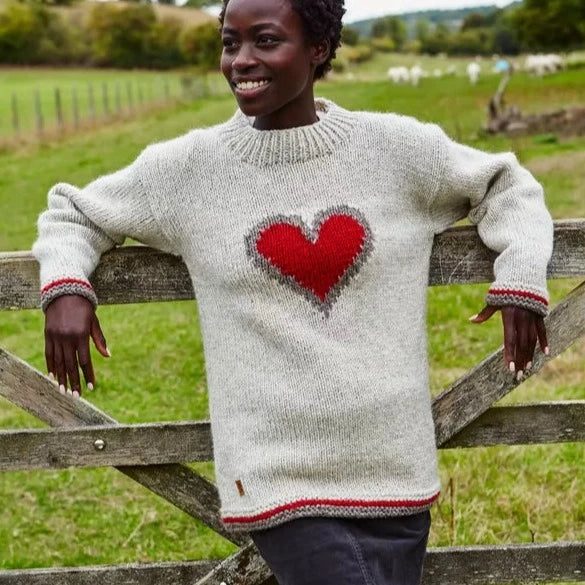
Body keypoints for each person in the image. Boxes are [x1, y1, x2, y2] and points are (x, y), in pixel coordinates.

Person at [32, 0, 554, 583]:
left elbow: (510, 185)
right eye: (231, 43)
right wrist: (67, 287)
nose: (241, 61)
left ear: (319, 48)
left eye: (265, 41)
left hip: (395, 465)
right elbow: (72, 211)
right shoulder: (188, 171)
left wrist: (520, 281)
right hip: (277, 477)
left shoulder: (400, 151)